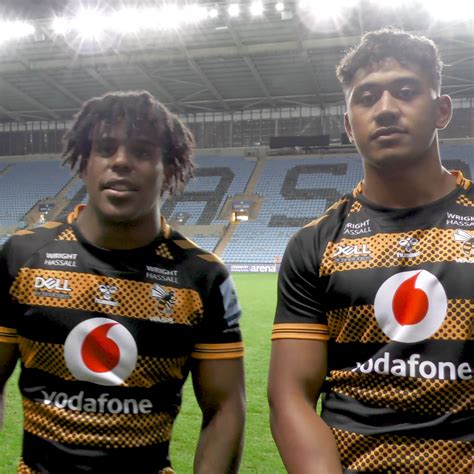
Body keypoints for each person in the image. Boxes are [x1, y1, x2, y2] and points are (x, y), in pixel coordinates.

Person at [0, 91, 245, 473]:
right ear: (84, 164)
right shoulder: (21, 256)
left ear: (169, 170)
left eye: (142, 152)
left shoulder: (202, 276)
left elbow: (225, 409)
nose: (121, 161)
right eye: (105, 148)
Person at [268, 28, 473, 473]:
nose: (385, 109)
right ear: (349, 125)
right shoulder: (314, 243)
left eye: (406, 92)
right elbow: (290, 396)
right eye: (366, 98)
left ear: (442, 110)